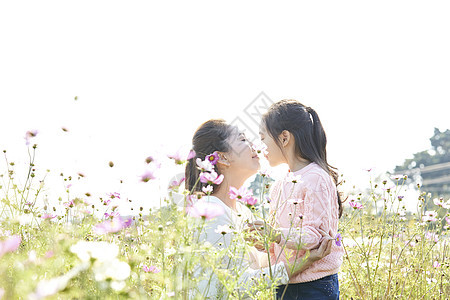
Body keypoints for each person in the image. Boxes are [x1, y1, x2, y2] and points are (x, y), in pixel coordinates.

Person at [184, 119, 333, 299]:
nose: (254, 145)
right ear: (222, 157)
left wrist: (282, 245)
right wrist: (300, 264)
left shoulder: (242, 211)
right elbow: (238, 284)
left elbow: (256, 267)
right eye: (242, 140)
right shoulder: (209, 211)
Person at [249, 100, 344, 299]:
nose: (261, 146)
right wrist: (266, 242)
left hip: (313, 284)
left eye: (263, 138)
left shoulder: (316, 178)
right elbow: (285, 237)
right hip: (285, 279)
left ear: (284, 138)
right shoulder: (279, 185)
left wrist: (275, 235)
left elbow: (314, 235)